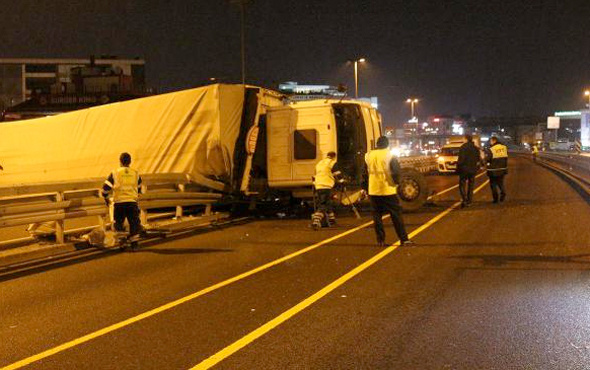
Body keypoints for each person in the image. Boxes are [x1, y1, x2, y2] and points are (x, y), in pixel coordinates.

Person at [362, 136, 412, 247]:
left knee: (377, 216)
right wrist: (397, 184)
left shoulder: (368, 155)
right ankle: (404, 239)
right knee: (396, 215)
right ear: (387, 144)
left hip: (373, 190)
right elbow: (396, 172)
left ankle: (380, 240)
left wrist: (366, 187)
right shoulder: (389, 155)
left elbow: (364, 174)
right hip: (387, 189)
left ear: (377, 144)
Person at [101, 152, 143, 245]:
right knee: (134, 223)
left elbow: (105, 188)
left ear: (120, 161)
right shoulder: (135, 173)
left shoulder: (115, 173)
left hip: (119, 203)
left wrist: (105, 196)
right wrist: (137, 195)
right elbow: (140, 188)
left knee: (119, 222)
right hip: (132, 202)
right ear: (130, 162)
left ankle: (122, 242)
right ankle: (134, 244)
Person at [312, 151, 339, 229]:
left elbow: (314, 175)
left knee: (327, 202)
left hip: (318, 185)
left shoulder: (319, 163)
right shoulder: (332, 162)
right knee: (323, 204)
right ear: (334, 156)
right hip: (326, 185)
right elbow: (336, 174)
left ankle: (332, 220)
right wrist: (341, 181)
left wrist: (315, 184)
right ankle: (316, 221)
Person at [457, 134, 482, 208]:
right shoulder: (475, 148)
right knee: (471, 185)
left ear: (466, 139)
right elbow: (478, 159)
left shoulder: (463, 147)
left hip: (464, 169)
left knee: (462, 184)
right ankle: (469, 200)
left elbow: (461, 159)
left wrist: (457, 167)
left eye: (463, 138)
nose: (462, 140)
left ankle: (464, 199)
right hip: (473, 169)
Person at [485, 136, 508, 203]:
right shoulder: (504, 148)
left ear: (493, 141)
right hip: (503, 169)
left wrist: (486, 161)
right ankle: (503, 193)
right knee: (500, 182)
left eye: (490, 141)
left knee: (493, 184)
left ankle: (495, 199)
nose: (490, 142)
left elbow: (488, 159)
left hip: (493, 170)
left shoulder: (491, 149)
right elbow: (506, 158)